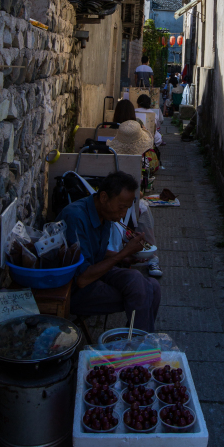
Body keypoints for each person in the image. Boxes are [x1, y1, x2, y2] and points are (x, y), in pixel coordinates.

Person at [61, 171, 161, 331]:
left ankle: (137, 340)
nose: (122, 215)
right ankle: (139, 347)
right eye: (121, 208)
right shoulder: (75, 217)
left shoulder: (106, 214)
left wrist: (126, 257)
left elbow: (96, 251)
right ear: (103, 198)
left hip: (96, 272)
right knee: (143, 291)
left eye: (127, 209)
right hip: (75, 289)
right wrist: (124, 252)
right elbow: (82, 279)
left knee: (153, 286)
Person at [107, 120, 163, 278]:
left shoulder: (109, 155)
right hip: (121, 201)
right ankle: (152, 255)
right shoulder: (143, 160)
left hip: (108, 198)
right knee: (143, 208)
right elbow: (140, 191)